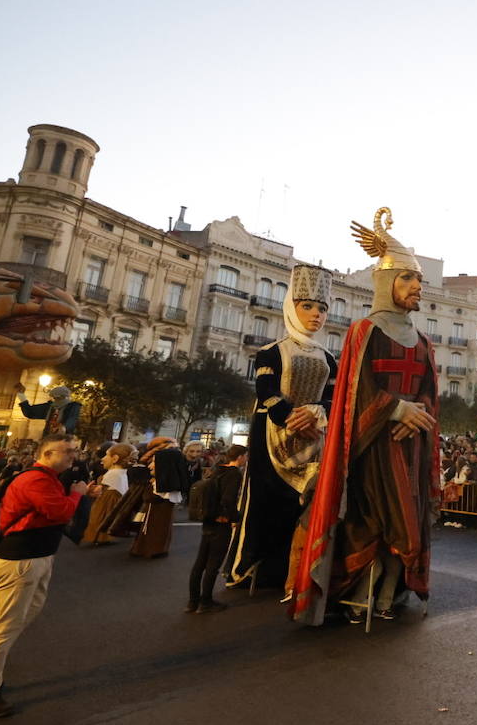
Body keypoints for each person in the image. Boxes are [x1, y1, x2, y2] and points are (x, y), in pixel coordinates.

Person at [291, 209, 441, 624]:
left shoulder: (425, 341)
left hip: (410, 445)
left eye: (419, 280)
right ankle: (362, 592)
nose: (417, 286)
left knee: (408, 525)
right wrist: (395, 407)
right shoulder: (364, 331)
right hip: (371, 446)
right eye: (408, 278)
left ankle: (389, 592)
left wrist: (420, 411)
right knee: (372, 522)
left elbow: (429, 390)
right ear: (385, 282)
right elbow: (355, 389)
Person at [226, 263, 337, 592]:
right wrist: (293, 418)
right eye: (308, 307)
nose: (316, 315)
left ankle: (296, 570)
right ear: (292, 307)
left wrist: (315, 414)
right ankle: (256, 569)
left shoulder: (329, 358)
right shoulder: (270, 352)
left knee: (302, 507)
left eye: (322, 309)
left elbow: (333, 398)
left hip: (314, 439)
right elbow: (266, 393)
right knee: (265, 503)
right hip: (271, 437)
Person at [0, 433, 90, 719]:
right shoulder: (36, 479)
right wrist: (78, 494)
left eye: (75, 450)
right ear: (47, 454)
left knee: (22, 618)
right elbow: (58, 512)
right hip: (21, 560)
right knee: (5, 626)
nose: (74, 455)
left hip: (37, 558)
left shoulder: (48, 479)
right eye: (67, 451)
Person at [187, 445, 246, 614]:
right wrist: (234, 518)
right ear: (240, 457)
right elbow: (228, 499)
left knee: (200, 563)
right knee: (213, 564)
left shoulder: (217, 471)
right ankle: (206, 602)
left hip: (208, 519)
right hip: (221, 522)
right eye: (245, 456)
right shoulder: (234, 474)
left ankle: (193, 602)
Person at [131, 438, 188, 558]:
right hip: (152, 513)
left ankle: (152, 549)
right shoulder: (158, 482)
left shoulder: (163, 487)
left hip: (155, 515)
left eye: (154, 463)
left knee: (156, 529)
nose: (151, 466)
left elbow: (152, 497)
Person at [80, 443, 133, 545]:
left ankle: (101, 537)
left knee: (99, 518)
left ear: (115, 459)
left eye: (106, 456)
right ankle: (105, 537)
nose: (102, 459)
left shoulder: (113, 473)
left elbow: (102, 488)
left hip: (106, 501)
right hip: (113, 498)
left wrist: (90, 490)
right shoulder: (122, 472)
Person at [13, 383, 81, 436]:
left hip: (63, 440)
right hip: (48, 438)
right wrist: (21, 395)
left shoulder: (73, 407)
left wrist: (64, 427)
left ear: (63, 397)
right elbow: (30, 412)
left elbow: (72, 419)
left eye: (56, 398)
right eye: (54, 398)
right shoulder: (50, 407)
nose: (55, 400)